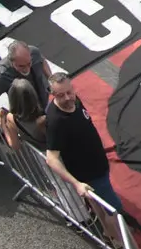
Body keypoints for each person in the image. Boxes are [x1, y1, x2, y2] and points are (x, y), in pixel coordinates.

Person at [44, 73, 122, 213]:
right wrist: (76, 183)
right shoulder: (56, 121)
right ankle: (115, 226)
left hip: (99, 164)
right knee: (114, 210)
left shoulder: (74, 101)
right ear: (53, 94)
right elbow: (51, 158)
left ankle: (105, 224)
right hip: (90, 174)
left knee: (99, 205)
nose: (67, 98)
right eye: (61, 95)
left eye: (69, 92)